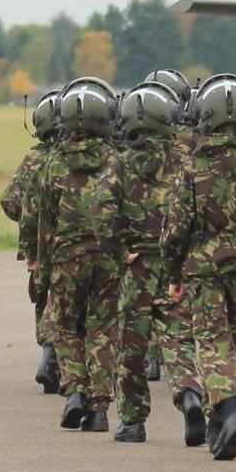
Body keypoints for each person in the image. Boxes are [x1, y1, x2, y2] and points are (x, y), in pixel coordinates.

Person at [161, 74, 236, 461]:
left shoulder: (193, 169)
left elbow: (175, 229)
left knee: (213, 343)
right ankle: (220, 430)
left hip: (205, 271)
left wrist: (174, 275)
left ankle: (229, 412)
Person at [85, 82, 187, 443]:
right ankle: (190, 395)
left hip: (138, 265)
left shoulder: (121, 165)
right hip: (177, 266)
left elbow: (100, 210)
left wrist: (116, 249)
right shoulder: (184, 163)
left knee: (132, 344)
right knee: (178, 337)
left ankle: (132, 421)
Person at [38, 77, 123, 433]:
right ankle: (101, 409)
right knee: (102, 328)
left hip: (66, 258)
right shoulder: (117, 161)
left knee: (65, 326)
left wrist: (43, 266)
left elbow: (44, 219)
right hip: (107, 260)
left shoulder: (55, 165)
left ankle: (74, 391)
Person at [4, 92, 62, 395]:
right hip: (76, 245)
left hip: (41, 246)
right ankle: (61, 360)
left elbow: (11, 201)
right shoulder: (74, 159)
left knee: (44, 298)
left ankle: (48, 353)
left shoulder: (34, 160)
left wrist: (32, 235)